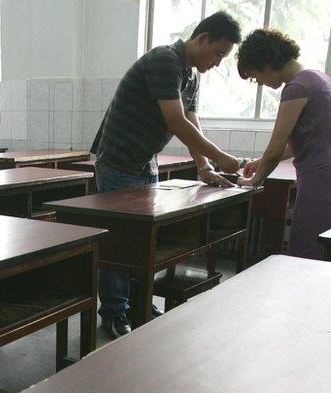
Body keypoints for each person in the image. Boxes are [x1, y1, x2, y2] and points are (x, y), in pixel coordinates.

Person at [92, 11, 243, 339]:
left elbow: (192, 120)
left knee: (143, 243)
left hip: (146, 164)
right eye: (218, 53)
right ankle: (115, 312)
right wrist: (220, 156)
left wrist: (205, 166)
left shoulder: (191, 75)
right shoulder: (164, 60)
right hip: (118, 164)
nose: (217, 62)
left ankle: (137, 304)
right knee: (121, 245)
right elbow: (177, 123)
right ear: (202, 39)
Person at [235, 28, 331, 260]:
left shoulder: (297, 88)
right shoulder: (319, 79)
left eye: (255, 76)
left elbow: (275, 147)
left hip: (321, 184)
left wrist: (254, 181)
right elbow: (297, 143)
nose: (259, 83)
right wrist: (260, 162)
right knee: (324, 258)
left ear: (267, 63)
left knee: (306, 260)